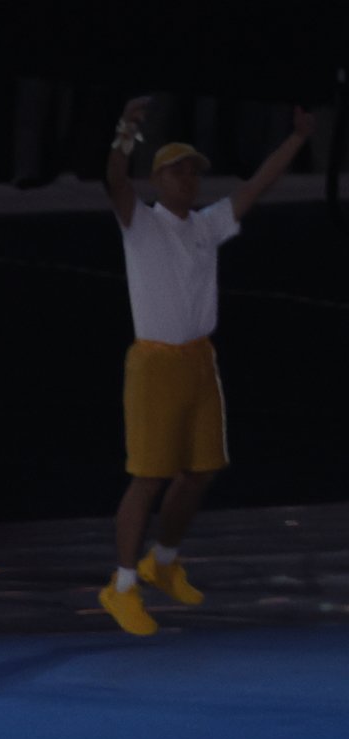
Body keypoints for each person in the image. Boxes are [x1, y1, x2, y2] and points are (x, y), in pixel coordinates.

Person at [99, 98, 316, 636]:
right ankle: (121, 586)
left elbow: (257, 185)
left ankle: (163, 562)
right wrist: (126, 130)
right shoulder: (141, 223)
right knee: (148, 478)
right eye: (178, 170)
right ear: (158, 179)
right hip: (154, 364)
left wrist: (297, 138)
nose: (189, 178)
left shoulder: (206, 225)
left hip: (199, 361)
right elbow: (115, 179)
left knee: (203, 470)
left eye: (194, 171)